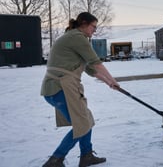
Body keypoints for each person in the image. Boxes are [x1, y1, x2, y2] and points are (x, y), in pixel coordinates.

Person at [41, 12, 120, 167]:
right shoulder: (77, 38)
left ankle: (86, 155)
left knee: (86, 120)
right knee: (82, 124)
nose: (94, 30)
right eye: (93, 26)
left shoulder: (73, 38)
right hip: (60, 89)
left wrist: (108, 83)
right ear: (83, 23)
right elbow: (96, 63)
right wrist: (113, 80)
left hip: (58, 89)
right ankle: (55, 160)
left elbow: (90, 69)